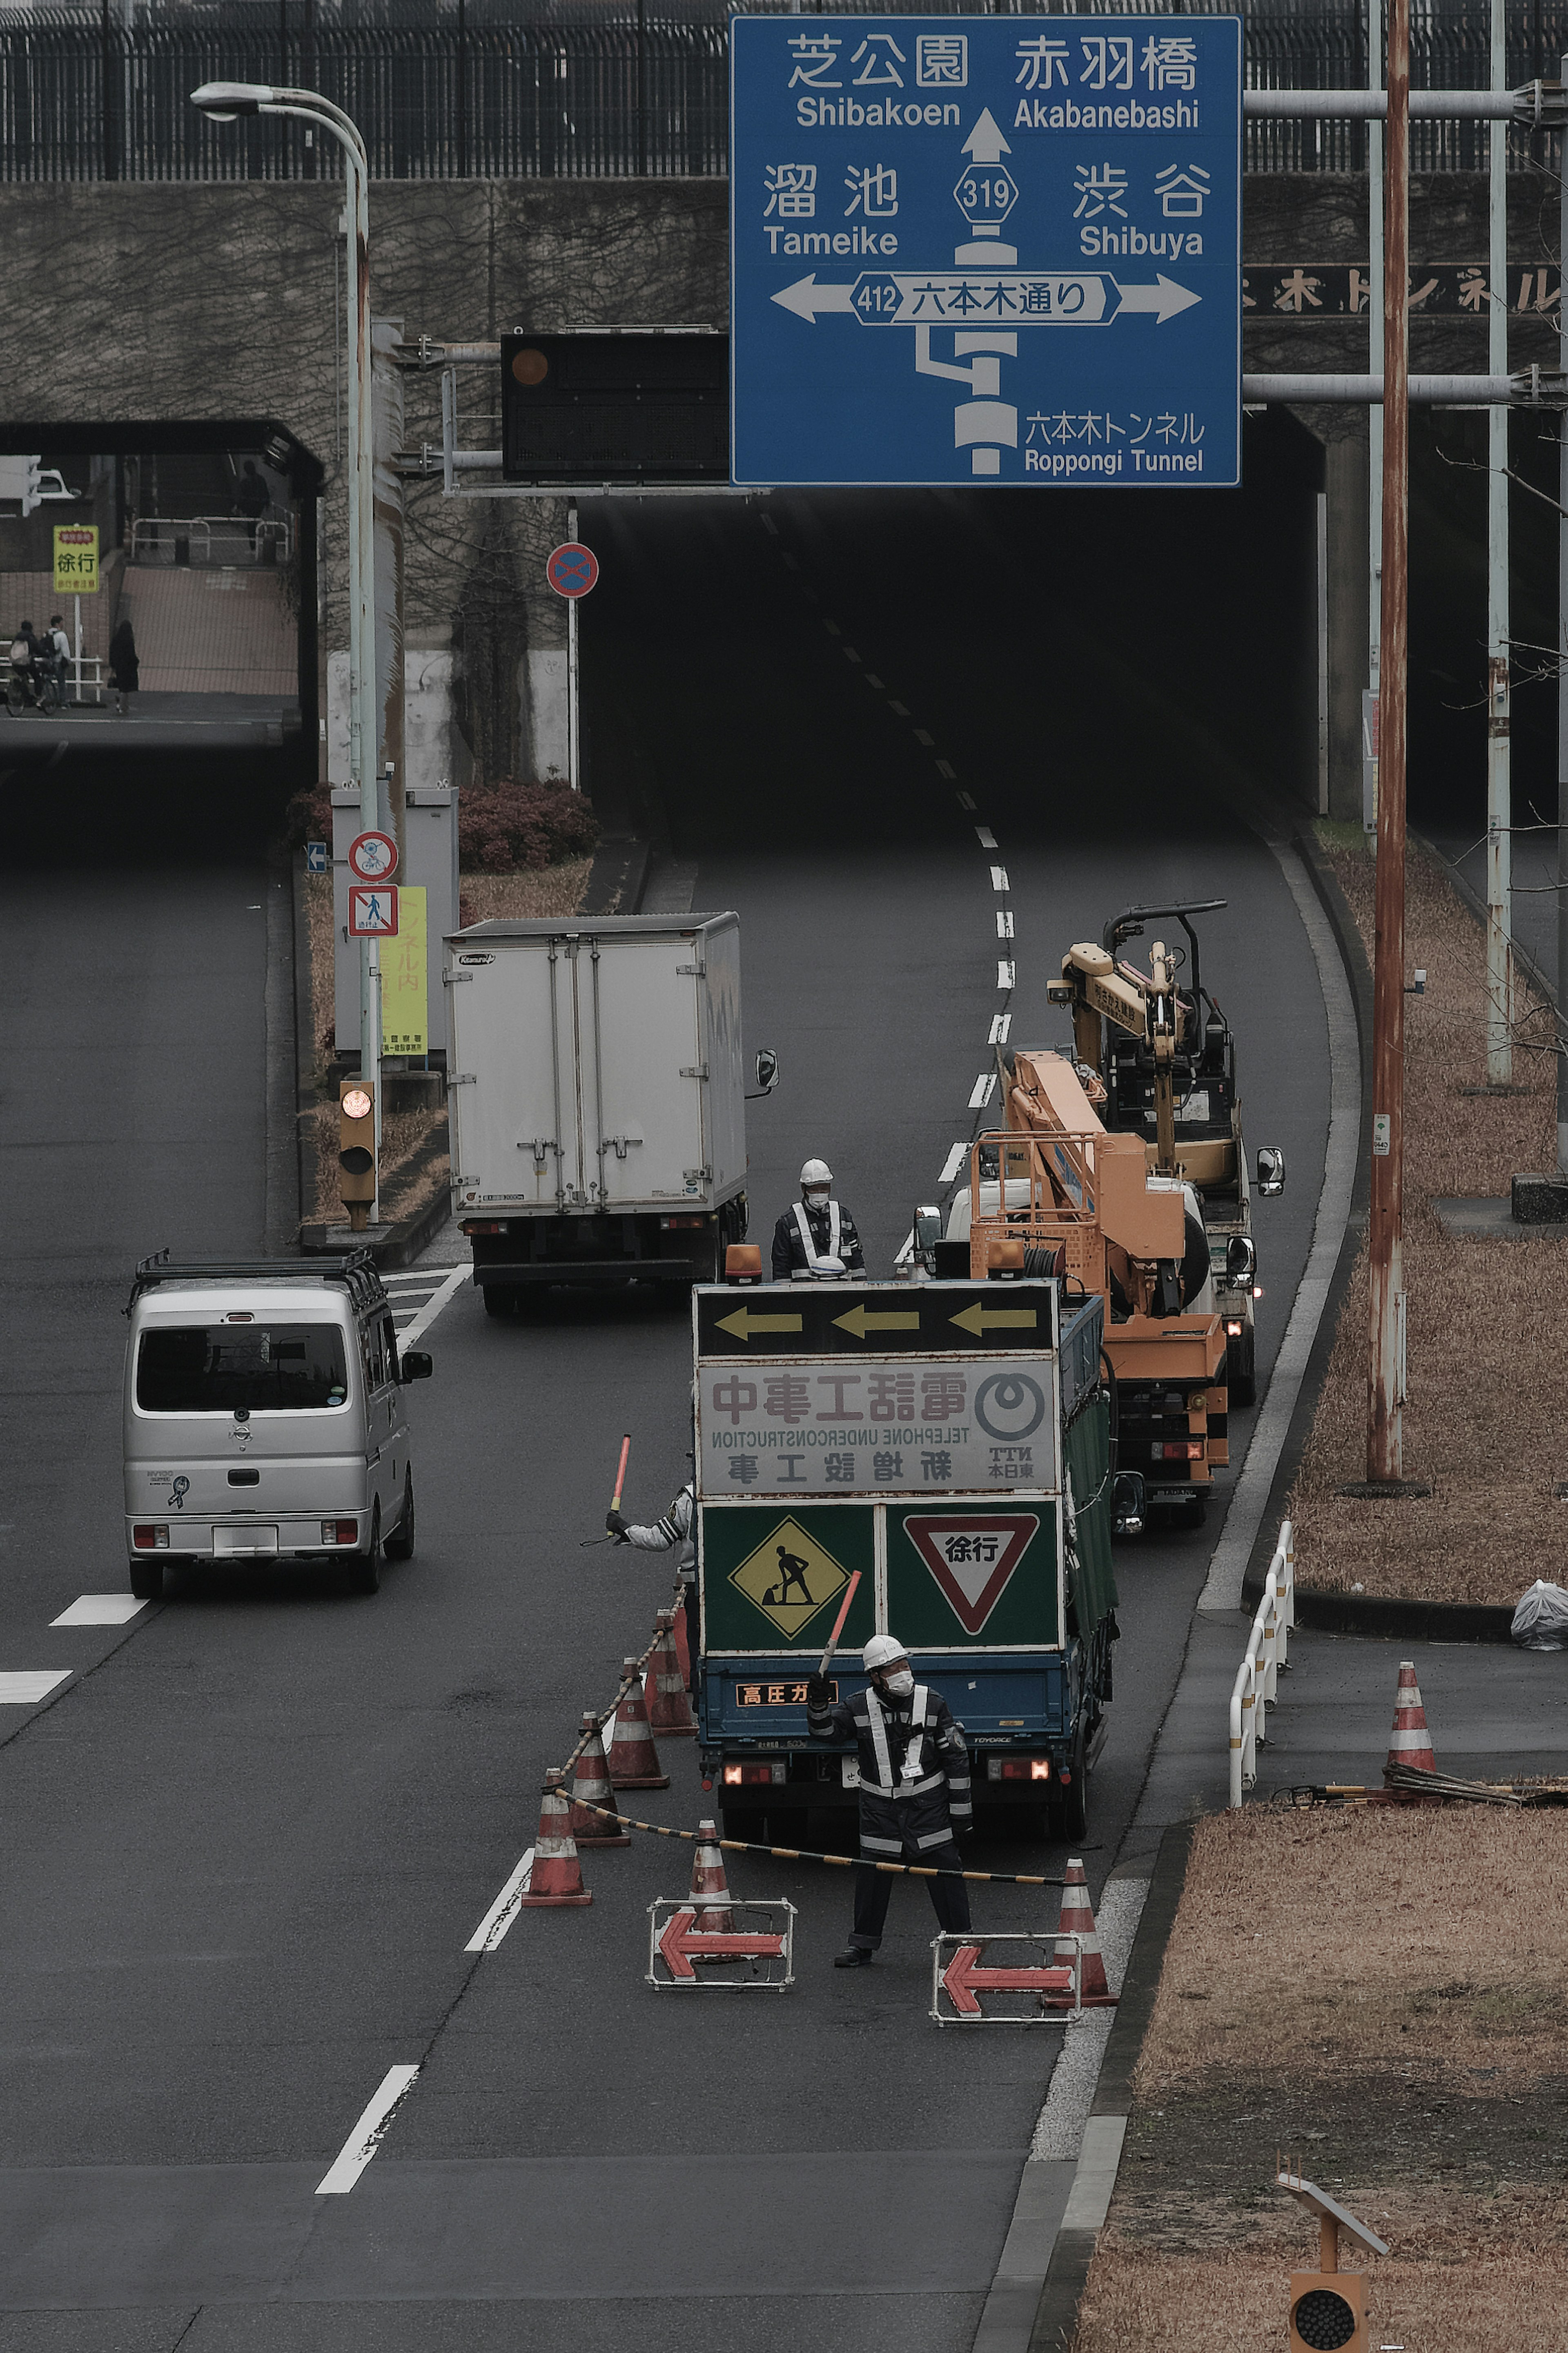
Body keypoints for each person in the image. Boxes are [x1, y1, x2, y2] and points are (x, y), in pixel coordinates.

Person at [807, 1633, 972, 1967]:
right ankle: (862, 1945)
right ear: (875, 1676)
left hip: (928, 1809)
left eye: (904, 1664)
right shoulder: (857, 1705)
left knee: (946, 1873)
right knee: (872, 1877)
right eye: (892, 1667)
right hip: (880, 1810)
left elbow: (957, 1760)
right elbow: (825, 1733)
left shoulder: (933, 1703)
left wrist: (961, 1815)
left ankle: (960, 1941)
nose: (902, 1672)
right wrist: (818, 1703)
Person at [606, 1470, 696, 1679]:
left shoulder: (690, 1498)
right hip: (746, 1588)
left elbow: (659, 1540)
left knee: (700, 1650)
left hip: (699, 1589)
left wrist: (624, 1528)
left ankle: (702, 1696)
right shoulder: (755, 1491)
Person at [771, 1158, 865, 1281]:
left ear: (830, 1188)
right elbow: (781, 1267)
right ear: (804, 1189)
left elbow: (857, 1260)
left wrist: (863, 1292)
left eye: (824, 1189)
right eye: (814, 1189)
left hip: (842, 1294)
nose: (819, 1194)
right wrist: (784, 1298)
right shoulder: (788, 1222)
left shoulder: (843, 1216)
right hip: (803, 1295)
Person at [233, 458, 270, 553]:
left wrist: (238, 507)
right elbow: (266, 493)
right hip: (259, 506)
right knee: (257, 524)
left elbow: (242, 497)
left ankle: (253, 548)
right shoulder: (261, 479)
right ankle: (257, 546)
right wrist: (266, 504)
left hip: (250, 508)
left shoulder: (245, 482)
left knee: (251, 528)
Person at [108, 616, 139, 718]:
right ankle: (122, 705)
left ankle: (122, 704)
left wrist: (113, 665)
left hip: (118, 667)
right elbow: (131, 655)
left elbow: (112, 653)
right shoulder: (129, 640)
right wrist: (136, 662)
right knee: (126, 688)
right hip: (128, 667)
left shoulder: (116, 639)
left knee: (122, 687)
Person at [48, 615, 71, 706]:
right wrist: (68, 660)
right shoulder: (62, 635)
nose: (63, 624)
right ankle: (63, 702)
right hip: (59, 662)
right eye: (62, 622)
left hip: (49, 661)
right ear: (58, 624)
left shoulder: (48, 634)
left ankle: (49, 700)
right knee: (61, 682)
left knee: (49, 681)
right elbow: (65, 650)